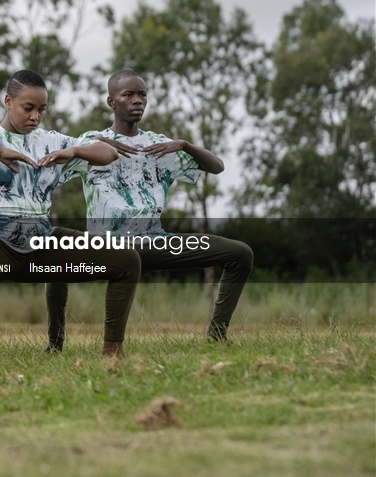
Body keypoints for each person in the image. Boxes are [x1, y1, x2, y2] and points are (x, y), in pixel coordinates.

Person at [0, 70, 142, 365]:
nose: (36, 116)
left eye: (42, 109)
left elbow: (108, 153)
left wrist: (72, 151)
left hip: (41, 247)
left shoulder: (53, 141)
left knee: (126, 261)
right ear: (9, 101)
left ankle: (112, 352)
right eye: (28, 108)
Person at [45, 69, 253, 350]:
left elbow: (216, 167)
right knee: (56, 262)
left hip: (154, 243)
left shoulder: (158, 146)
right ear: (112, 102)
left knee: (240, 253)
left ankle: (217, 335)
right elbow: (56, 158)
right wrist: (98, 143)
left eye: (142, 94)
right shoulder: (91, 142)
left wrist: (185, 145)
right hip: (104, 246)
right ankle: (55, 344)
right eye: (128, 95)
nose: (137, 100)